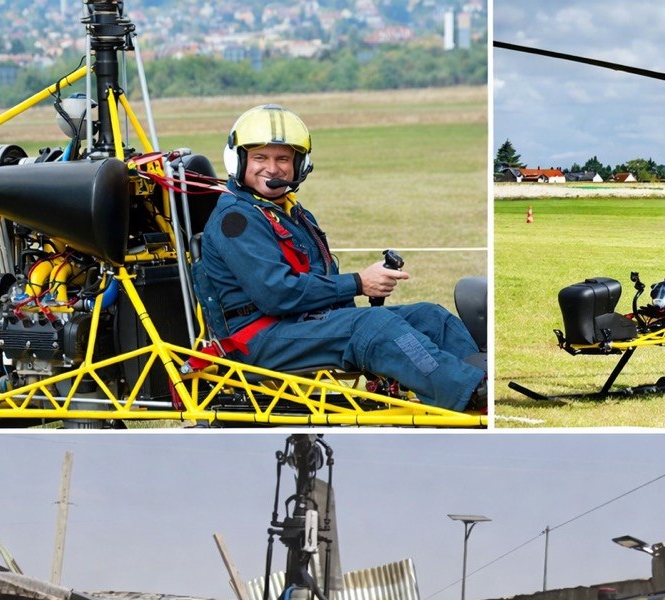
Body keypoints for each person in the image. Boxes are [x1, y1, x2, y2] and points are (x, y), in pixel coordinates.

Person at [193, 104, 486, 412]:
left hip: (299, 324)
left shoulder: (291, 212)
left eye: (283, 159)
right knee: (373, 326)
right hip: (259, 339)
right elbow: (277, 294)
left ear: (299, 164)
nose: (273, 168)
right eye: (260, 158)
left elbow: (320, 278)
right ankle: (468, 395)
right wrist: (359, 283)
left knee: (429, 316)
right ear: (239, 160)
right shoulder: (236, 220)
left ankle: (479, 378)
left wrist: (353, 299)